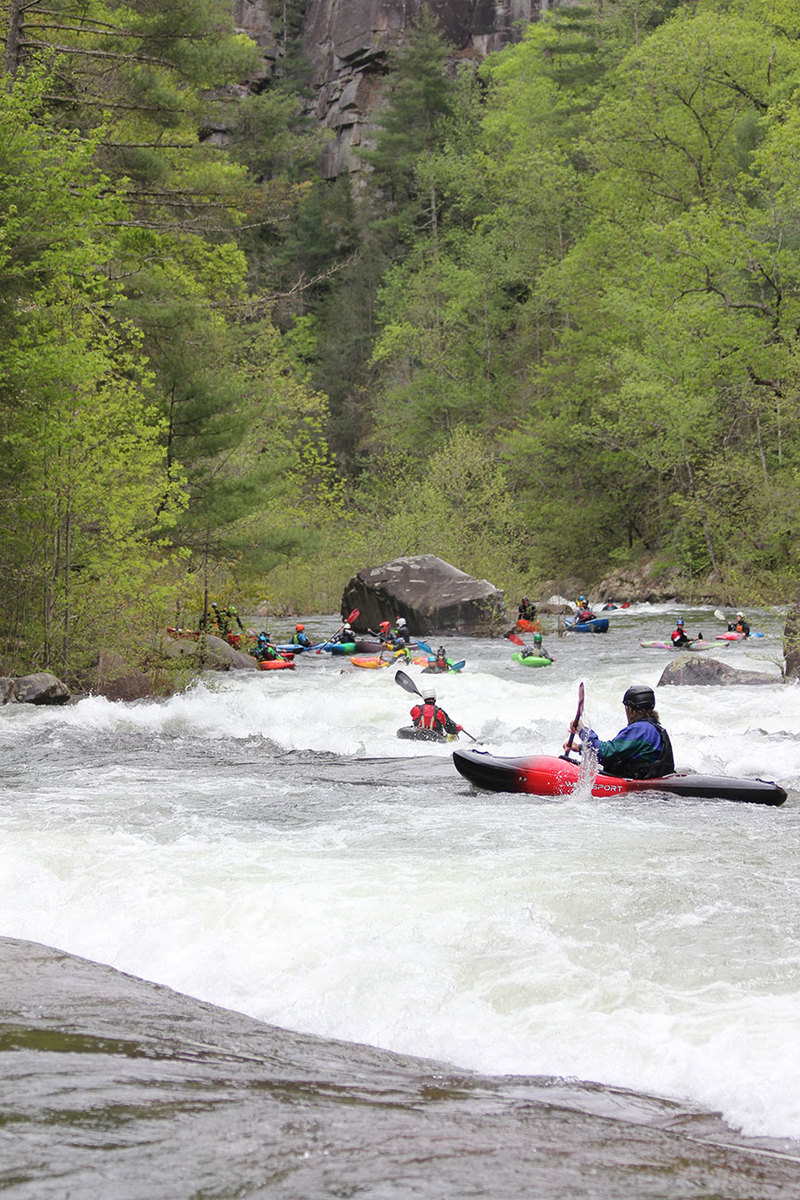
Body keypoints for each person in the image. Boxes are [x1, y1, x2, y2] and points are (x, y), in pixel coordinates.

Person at [567, 684, 675, 779]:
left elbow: (606, 752)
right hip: (647, 777)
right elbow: (615, 756)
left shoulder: (641, 730)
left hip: (638, 784)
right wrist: (580, 748)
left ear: (631, 709)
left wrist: (582, 731)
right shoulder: (654, 728)